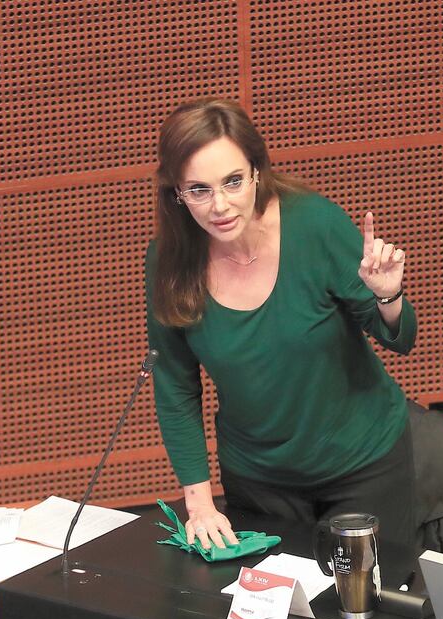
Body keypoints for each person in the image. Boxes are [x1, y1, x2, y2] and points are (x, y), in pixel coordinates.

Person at [145, 98, 417, 557]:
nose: (220, 205)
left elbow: (400, 337)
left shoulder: (314, 225)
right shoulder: (169, 261)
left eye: (233, 181)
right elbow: (174, 386)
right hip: (258, 480)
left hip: (362, 464)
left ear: (256, 170)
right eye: (198, 190)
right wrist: (199, 502)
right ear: (176, 193)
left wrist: (387, 295)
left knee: (364, 613)